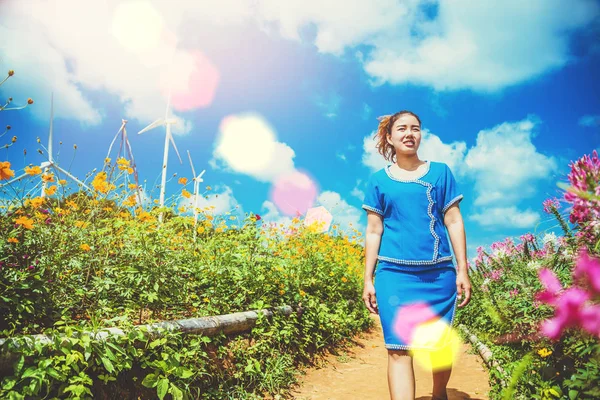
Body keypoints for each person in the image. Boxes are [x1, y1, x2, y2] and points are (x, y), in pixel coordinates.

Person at [361, 110, 472, 400]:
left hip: (438, 274)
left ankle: (439, 394)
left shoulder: (440, 172)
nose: (409, 134)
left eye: (416, 128)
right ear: (389, 136)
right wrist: (368, 279)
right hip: (393, 275)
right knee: (398, 349)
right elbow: (374, 231)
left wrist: (462, 269)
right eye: (402, 129)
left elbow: (453, 220)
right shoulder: (377, 181)